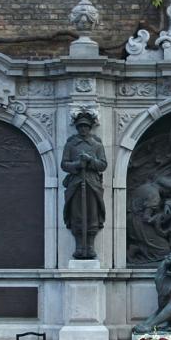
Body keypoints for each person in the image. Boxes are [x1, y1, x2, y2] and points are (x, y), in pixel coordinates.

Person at [61, 111, 108, 259]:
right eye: (80, 126)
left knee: (93, 215)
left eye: (86, 126)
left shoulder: (97, 145)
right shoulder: (71, 144)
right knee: (77, 215)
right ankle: (79, 247)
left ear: (90, 128)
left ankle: (90, 247)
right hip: (76, 183)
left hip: (92, 184)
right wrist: (77, 164)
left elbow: (103, 165)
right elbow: (64, 164)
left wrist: (90, 161)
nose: (83, 129)